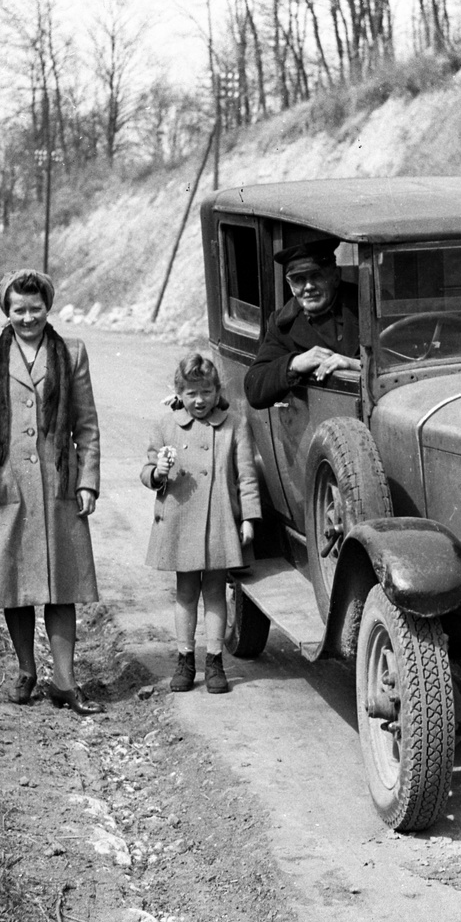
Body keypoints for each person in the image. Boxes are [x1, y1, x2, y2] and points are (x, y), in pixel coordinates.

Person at [0, 268, 104, 713]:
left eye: (36, 309)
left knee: (62, 584)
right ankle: (26, 670)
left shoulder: (71, 353)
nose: (28, 317)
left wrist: (88, 480)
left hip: (58, 486)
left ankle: (66, 680)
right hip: (7, 484)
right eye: (19, 309)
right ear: (6, 310)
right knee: (13, 581)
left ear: (48, 308)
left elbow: (87, 426)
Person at [141, 354, 262, 694]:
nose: (199, 400)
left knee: (215, 593)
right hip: (180, 520)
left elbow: (247, 475)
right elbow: (147, 470)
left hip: (220, 519)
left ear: (216, 391)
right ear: (179, 392)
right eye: (191, 393)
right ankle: (184, 659)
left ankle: (214, 661)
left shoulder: (233, 423)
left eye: (206, 392)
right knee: (185, 593)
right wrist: (158, 472)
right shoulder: (166, 425)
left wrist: (249, 517)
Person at [243, 237, 361, 409]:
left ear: (335, 277)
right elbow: (254, 388)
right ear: (291, 286)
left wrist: (355, 364)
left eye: (316, 276)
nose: (308, 287)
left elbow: (404, 358)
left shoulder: (364, 305)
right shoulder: (283, 325)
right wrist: (294, 363)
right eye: (299, 280)